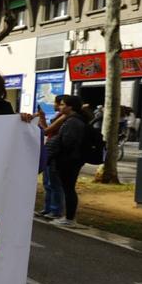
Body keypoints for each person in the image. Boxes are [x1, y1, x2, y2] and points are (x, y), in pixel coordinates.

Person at [45, 94, 89, 226]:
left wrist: (58, 148)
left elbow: (68, 142)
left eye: (63, 104)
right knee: (66, 188)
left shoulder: (72, 122)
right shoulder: (73, 120)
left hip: (69, 160)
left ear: (70, 107)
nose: (60, 106)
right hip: (70, 159)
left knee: (68, 189)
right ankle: (68, 217)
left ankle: (69, 218)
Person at [36, 99, 68, 220]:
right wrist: (42, 118)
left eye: (60, 104)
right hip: (50, 151)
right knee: (47, 183)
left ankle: (55, 210)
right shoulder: (58, 116)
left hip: (55, 152)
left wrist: (41, 120)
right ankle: (48, 208)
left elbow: (46, 131)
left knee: (54, 183)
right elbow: (46, 131)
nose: (56, 106)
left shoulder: (63, 117)